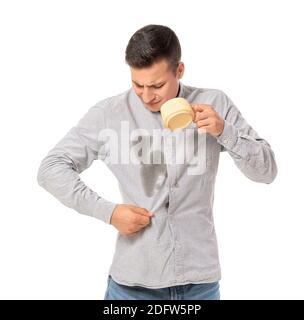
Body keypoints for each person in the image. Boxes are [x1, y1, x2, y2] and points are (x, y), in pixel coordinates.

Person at [37, 24, 277, 300]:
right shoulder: (108, 114)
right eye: (138, 85)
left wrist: (225, 132)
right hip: (132, 287)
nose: (148, 96)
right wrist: (109, 212)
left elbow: (266, 172)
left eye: (157, 85)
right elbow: (51, 168)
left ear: (179, 70)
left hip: (201, 284)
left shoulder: (214, 103)